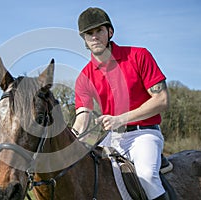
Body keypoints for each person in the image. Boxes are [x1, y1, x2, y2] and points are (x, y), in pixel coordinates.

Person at [72, 7, 170, 200]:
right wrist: (65, 143)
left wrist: (121, 118)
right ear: (84, 39)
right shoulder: (84, 77)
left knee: (146, 176)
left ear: (110, 32)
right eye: (89, 33)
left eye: (99, 30)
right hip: (113, 139)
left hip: (144, 134)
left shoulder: (139, 56)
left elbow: (162, 100)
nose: (94, 37)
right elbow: (81, 119)